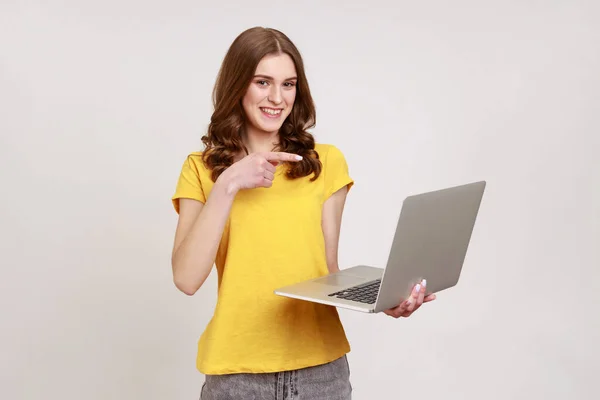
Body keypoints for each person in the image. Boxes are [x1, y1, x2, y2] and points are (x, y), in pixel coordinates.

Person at [170, 26, 436, 400]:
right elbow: (186, 278)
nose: (277, 98)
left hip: (321, 374)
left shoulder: (324, 162)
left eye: (288, 84)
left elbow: (326, 270)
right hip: (237, 378)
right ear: (237, 85)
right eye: (262, 82)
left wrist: (385, 298)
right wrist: (229, 184)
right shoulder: (201, 168)